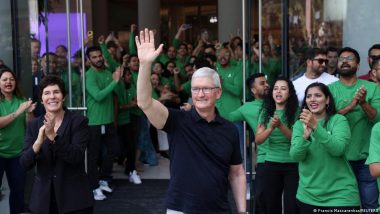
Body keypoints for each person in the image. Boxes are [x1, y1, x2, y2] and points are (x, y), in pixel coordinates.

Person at [135, 28, 246, 213]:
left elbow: (236, 173)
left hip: (219, 209)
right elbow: (144, 102)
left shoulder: (229, 129)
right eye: (195, 89)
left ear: (218, 92)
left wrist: (243, 211)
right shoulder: (177, 121)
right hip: (181, 209)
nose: (200, 94)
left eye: (206, 89)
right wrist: (145, 64)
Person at [20, 75, 94, 214]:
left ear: (63, 96)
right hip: (42, 201)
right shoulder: (34, 125)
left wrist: (53, 136)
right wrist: (38, 143)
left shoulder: (78, 122)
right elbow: (24, 163)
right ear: (42, 100)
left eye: (56, 92)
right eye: (47, 93)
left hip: (74, 199)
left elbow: (76, 156)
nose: (52, 97)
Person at [290, 82, 360, 213]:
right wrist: (304, 138)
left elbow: (338, 149)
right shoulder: (300, 125)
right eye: (309, 96)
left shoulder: (339, 120)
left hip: (341, 195)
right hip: (308, 196)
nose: (313, 99)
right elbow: (295, 156)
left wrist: (316, 127)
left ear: (327, 100)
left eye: (318, 95)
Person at [328, 47, 380, 212]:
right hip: (339, 160)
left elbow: (378, 119)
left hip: (366, 159)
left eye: (349, 58)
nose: (344, 61)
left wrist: (363, 103)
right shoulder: (329, 90)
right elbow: (326, 121)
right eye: (341, 58)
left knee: (370, 207)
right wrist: (351, 106)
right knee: (341, 207)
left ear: (358, 65)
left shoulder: (372, 88)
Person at [255, 77, 299, 214]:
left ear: (290, 93)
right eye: (276, 88)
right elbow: (258, 140)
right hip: (271, 164)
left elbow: (296, 139)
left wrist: (280, 126)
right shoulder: (265, 112)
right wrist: (271, 128)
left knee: (292, 206)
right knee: (271, 206)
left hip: (293, 164)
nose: (278, 91)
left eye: (283, 88)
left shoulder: (296, 112)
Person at [227, 73, 270, 214]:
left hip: (290, 157)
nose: (267, 85)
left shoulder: (279, 101)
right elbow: (225, 119)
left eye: (267, 82)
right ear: (253, 90)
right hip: (265, 158)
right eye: (262, 83)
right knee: (261, 199)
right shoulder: (247, 107)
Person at [85, 46, 123, 200]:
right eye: (94, 57)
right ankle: (93, 187)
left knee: (114, 150)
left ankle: (102, 179)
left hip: (108, 121)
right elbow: (98, 96)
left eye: (99, 56)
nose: (98, 59)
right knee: (93, 156)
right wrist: (114, 82)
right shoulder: (89, 75)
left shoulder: (108, 73)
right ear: (89, 60)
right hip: (93, 122)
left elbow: (116, 93)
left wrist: (115, 80)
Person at [0, 68, 35, 214]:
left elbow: (30, 125)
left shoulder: (21, 101)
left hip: (18, 153)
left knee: (18, 190)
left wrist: (29, 112)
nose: (8, 82)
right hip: (0, 152)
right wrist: (19, 112)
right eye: (4, 79)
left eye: (11, 79)